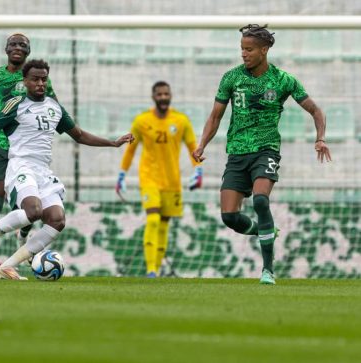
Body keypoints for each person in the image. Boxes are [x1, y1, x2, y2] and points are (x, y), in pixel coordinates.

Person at [0, 59, 134, 280]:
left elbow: (78, 135)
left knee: (57, 220)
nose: (40, 83)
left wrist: (113, 143)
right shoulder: (15, 104)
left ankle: (7, 266)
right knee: (33, 212)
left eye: (44, 79)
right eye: (35, 79)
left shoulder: (54, 107)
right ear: (25, 81)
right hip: (20, 165)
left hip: (43, 171)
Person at [192, 24, 332, 285]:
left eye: (249, 49)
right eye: (242, 49)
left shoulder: (283, 80)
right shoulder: (231, 78)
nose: (243, 54)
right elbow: (215, 117)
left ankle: (268, 270)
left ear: (264, 50)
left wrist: (320, 138)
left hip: (266, 150)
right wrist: (202, 145)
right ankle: (266, 231)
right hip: (236, 152)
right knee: (230, 217)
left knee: (260, 202)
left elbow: (316, 111)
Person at [0, 33, 57, 277]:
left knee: (30, 205)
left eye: (23, 45)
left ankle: (23, 235)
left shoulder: (36, 78)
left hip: (26, 151)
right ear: (6, 49)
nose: (17, 48)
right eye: (13, 44)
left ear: (28, 51)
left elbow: (52, 108)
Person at [115, 81, 203, 278]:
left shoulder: (181, 121)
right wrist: (122, 173)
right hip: (149, 179)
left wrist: (198, 170)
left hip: (172, 181)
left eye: (166, 94)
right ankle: (151, 270)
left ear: (170, 96)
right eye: (159, 94)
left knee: (164, 224)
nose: (163, 97)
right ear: (153, 97)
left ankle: (156, 269)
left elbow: (193, 148)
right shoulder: (142, 121)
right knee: (153, 219)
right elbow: (130, 150)